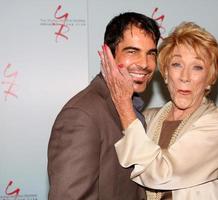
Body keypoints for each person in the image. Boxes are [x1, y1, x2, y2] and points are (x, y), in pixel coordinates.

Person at [101, 22, 218, 199]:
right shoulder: (147, 118)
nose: (185, 77)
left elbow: (160, 174)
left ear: (210, 78)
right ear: (165, 72)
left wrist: (124, 105)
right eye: (176, 65)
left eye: (197, 67)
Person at [47, 12, 160, 200]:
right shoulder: (82, 115)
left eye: (151, 53)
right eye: (132, 51)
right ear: (108, 54)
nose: (145, 64)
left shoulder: (132, 108)